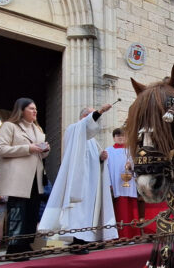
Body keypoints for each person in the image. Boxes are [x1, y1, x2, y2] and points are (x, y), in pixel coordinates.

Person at [38, 104, 117, 246]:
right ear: (84, 118)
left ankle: (88, 238)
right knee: (78, 210)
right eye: (93, 117)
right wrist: (101, 111)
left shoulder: (92, 139)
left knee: (88, 211)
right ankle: (76, 240)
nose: (97, 121)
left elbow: (93, 158)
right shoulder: (74, 129)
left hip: (91, 182)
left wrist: (101, 157)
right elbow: (85, 130)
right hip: (78, 180)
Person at [0, 98, 50, 255]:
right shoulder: (10, 126)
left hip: (35, 176)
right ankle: (14, 247)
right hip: (18, 177)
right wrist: (28, 148)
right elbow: (1, 149)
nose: (35, 111)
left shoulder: (38, 130)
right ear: (21, 110)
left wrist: (45, 150)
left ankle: (26, 244)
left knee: (32, 211)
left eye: (36, 109)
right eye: (31, 108)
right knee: (17, 211)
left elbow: (40, 155)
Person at [105, 128, 140, 239]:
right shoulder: (108, 151)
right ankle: (120, 236)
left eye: (122, 136)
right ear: (114, 138)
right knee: (119, 211)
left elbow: (136, 167)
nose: (120, 138)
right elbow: (105, 168)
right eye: (117, 136)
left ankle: (134, 235)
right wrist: (108, 183)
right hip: (115, 185)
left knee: (131, 210)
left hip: (130, 185)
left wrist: (131, 166)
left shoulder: (131, 150)